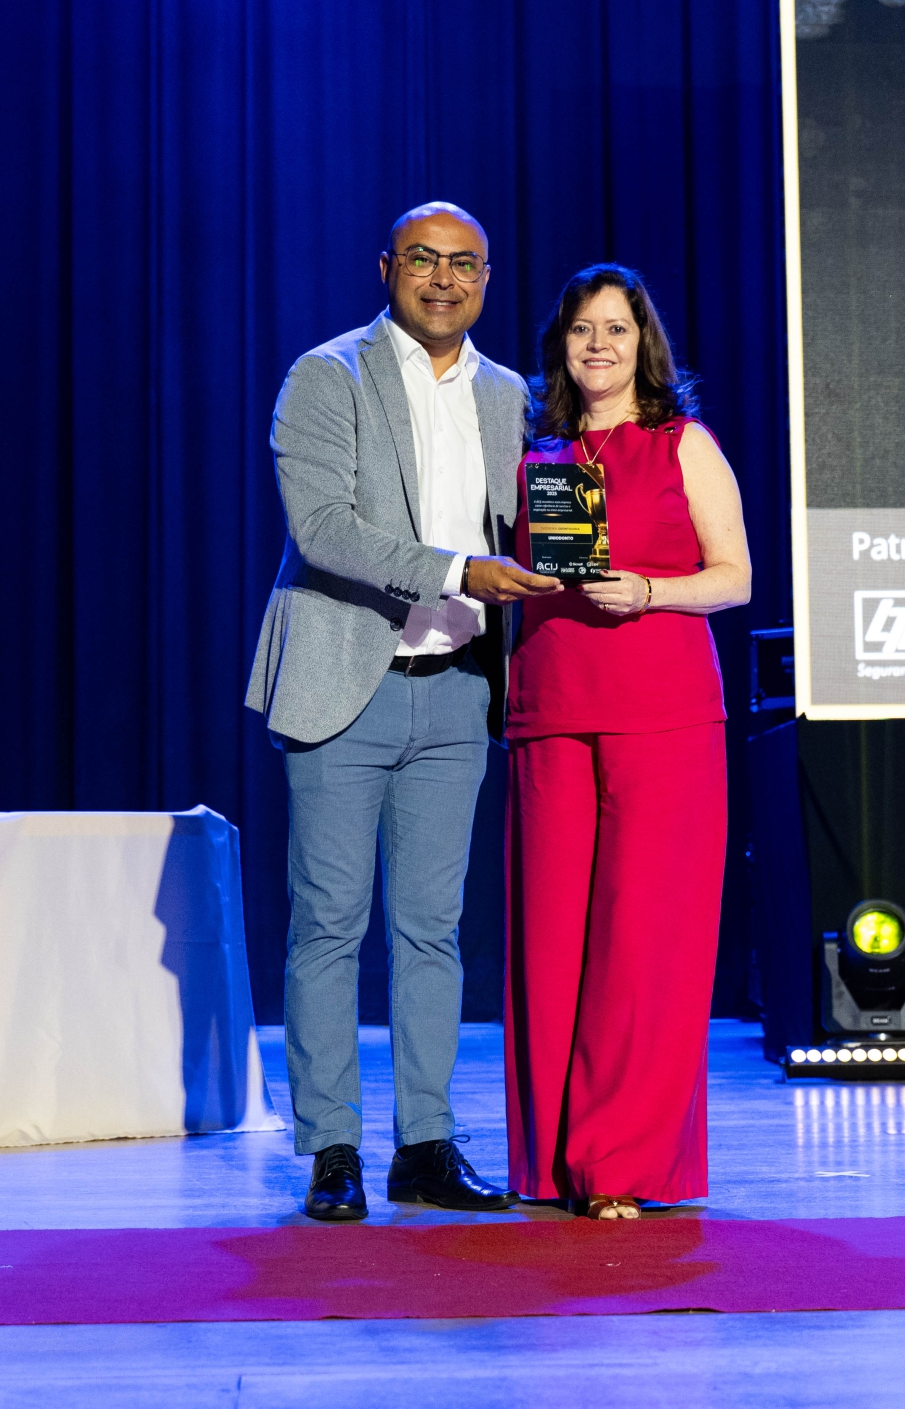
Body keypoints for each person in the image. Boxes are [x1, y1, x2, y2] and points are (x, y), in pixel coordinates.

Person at [246, 202, 559, 1221]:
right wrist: (461, 570)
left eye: (464, 263)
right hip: (345, 681)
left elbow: (538, 521)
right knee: (329, 925)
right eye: (423, 260)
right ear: (387, 267)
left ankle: (424, 1143)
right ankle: (332, 1148)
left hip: (459, 689)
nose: (443, 279)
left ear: (487, 278)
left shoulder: (511, 395)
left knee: (433, 929)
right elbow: (323, 528)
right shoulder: (326, 375)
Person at [504, 264, 751, 1220]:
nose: (598, 345)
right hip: (553, 708)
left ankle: (618, 1165)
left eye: (616, 328)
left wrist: (649, 590)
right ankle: (554, 1162)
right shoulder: (540, 455)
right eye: (582, 330)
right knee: (553, 942)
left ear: (644, 343)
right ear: (561, 347)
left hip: (665, 712)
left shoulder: (684, 444)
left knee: (644, 941)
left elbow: (733, 577)